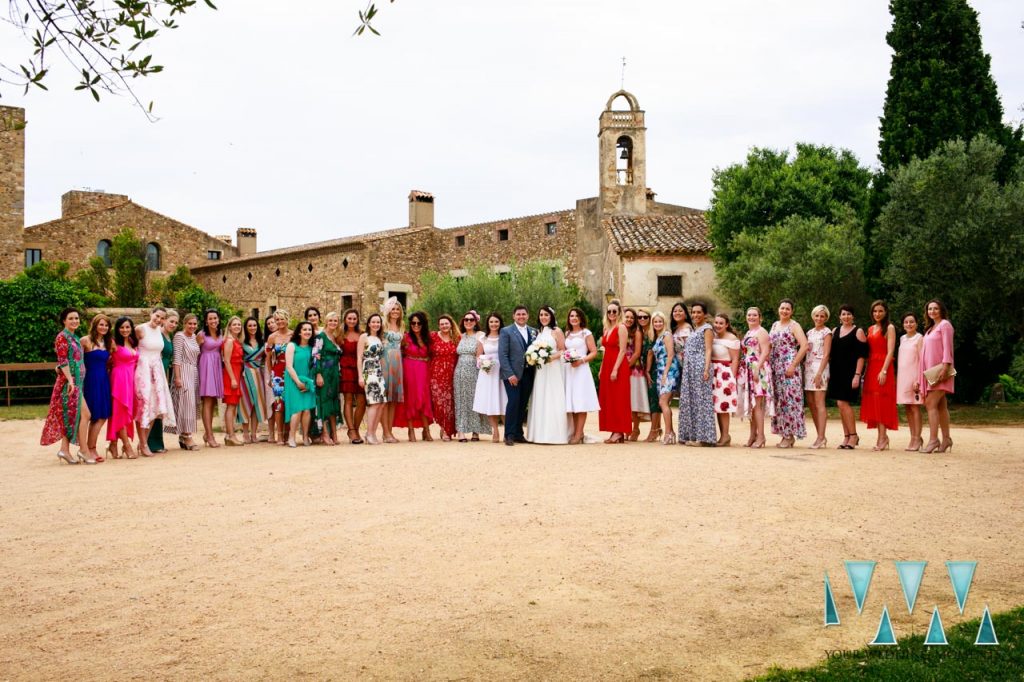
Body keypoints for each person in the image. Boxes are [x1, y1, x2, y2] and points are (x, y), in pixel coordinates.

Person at [41, 308, 92, 464]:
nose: (75, 321)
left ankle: (65, 449)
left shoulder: (74, 337)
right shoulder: (62, 337)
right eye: (71, 318)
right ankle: (83, 450)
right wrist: (70, 380)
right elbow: (63, 361)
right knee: (85, 415)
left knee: (71, 416)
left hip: (78, 382)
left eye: (76, 318)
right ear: (64, 320)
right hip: (69, 384)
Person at [135, 307, 176, 456]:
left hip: (157, 371)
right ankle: (143, 443)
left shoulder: (160, 331)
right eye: (157, 316)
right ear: (151, 314)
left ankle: (143, 442)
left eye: (162, 318)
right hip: (143, 370)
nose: (159, 320)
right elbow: (130, 346)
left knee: (156, 408)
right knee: (144, 406)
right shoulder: (140, 329)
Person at [827, 304, 868, 450]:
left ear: (853, 316)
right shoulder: (834, 331)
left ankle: (854, 435)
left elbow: (862, 356)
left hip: (850, 373)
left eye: (849, 314)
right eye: (843, 314)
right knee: (839, 404)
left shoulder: (858, 332)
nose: (846, 317)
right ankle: (846, 437)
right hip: (836, 372)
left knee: (844, 403)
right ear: (839, 317)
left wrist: (857, 375)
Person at [526, 305, 569, 444]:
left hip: (553, 368)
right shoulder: (539, 332)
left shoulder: (556, 331)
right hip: (541, 370)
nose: (543, 317)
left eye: (546, 315)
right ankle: (538, 434)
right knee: (541, 397)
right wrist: (534, 357)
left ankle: (555, 434)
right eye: (541, 315)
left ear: (551, 316)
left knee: (553, 396)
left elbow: (563, 350)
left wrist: (550, 358)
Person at [768, 299, 808, 448]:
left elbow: (804, 346)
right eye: (782, 308)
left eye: (787, 309)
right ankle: (785, 434)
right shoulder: (774, 325)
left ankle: (789, 435)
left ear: (792, 311)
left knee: (790, 400)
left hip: (789, 365)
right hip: (776, 366)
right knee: (780, 401)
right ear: (778, 309)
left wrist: (793, 365)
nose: (784, 311)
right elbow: (770, 345)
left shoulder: (794, 325)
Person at [860, 300, 899, 451]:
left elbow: (890, 351)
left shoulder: (889, 328)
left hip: (883, 367)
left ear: (886, 312)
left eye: (880, 311)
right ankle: (881, 436)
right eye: (875, 311)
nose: (878, 314)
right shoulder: (870, 329)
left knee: (882, 401)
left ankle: (883, 437)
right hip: (871, 367)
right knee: (874, 401)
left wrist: (883, 370)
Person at [678, 302, 716, 446]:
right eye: (693, 312)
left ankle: (704, 438)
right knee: (691, 401)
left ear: (705, 314)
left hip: (700, 366)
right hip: (690, 367)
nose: (695, 315)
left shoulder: (707, 329)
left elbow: (708, 350)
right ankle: (691, 435)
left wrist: (706, 369)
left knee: (702, 401)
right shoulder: (695, 329)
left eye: (698, 312)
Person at [498, 306, 537, 446]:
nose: (521, 316)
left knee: (522, 403)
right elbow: (502, 354)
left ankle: (518, 434)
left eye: (524, 314)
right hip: (512, 374)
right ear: (514, 316)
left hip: (528, 373)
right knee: (513, 402)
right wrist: (510, 374)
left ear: (527, 316)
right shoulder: (506, 331)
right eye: (518, 314)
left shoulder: (534, 331)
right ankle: (508, 434)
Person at [920, 299, 955, 453]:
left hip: (941, 371)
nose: (932, 311)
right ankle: (946, 439)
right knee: (941, 405)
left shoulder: (945, 325)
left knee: (930, 404)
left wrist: (946, 366)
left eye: (935, 308)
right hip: (930, 373)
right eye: (930, 309)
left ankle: (933, 440)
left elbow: (948, 347)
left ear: (941, 310)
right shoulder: (930, 329)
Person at [395, 311, 434, 441]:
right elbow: (397, 352)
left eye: (419, 323)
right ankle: (410, 431)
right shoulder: (405, 337)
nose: (416, 325)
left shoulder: (428, 338)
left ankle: (426, 430)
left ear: (423, 324)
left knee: (424, 399)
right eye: (413, 323)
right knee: (410, 398)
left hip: (424, 370)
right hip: (409, 369)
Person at [564, 307, 599, 445]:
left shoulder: (586, 333)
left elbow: (594, 352)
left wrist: (581, 360)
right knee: (572, 402)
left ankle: (578, 434)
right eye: (571, 316)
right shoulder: (567, 333)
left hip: (581, 370)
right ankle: (576, 432)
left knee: (580, 401)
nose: (574, 318)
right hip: (569, 370)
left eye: (576, 316)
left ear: (581, 318)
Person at [81, 313, 113, 462]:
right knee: (91, 415)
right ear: (95, 325)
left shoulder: (109, 342)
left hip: (104, 381)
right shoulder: (85, 341)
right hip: (90, 381)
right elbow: (73, 358)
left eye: (106, 325)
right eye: (101, 324)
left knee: (102, 415)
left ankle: (90, 447)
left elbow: (111, 362)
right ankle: (88, 449)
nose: (104, 327)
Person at [739, 307, 773, 449]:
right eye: (749, 315)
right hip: (748, 368)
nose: (751, 317)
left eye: (754, 315)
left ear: (760, 317)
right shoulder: (749, 332)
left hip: (759, 367)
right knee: (752, 404)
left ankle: (761, 436)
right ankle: (752, 435)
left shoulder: (762, 331)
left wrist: (757, 368)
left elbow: (766, 351)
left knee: (757, 404)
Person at [598, 300, 631, 443]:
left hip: (618, 365)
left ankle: (619, 431)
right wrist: (601, 368)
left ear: (619, 313)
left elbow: (623, 350)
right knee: (609, 398)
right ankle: (615, 430)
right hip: (607, 365)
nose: (611, 314)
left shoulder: (621, 327)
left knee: (619, 398)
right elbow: (605, 351)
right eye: (609, 311)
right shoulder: (606, 329)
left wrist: (615, 369)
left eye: (614, 311)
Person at [107, 316, 139, 459]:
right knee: (121, 411)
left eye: (127, 327)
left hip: (131, 379)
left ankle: (113, 444)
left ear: (131, 328)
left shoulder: (133, 342)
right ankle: (126, 445)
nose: (125, 330)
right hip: (119, 379)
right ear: (117, 329)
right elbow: (103, 358)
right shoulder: (113, 343)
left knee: (125, 412)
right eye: (121, 327)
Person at [454, 311, 489, 441]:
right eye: (466, 320)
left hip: (475, 371)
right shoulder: (459, 336)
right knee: (461, 400)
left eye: (471, 320)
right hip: (459, 372)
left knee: (475, 400)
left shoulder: (480, 335)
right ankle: (461, 431)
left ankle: (476, 431)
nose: (468, 322)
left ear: (475, 322)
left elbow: (482, 354)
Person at [147, 310, 178, 454]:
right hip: (154, 373)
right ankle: (149, 443)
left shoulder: (168, 336)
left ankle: (157, 443)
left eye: (176, 322)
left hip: (162, 373)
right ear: (164, 321)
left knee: (160, 407)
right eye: (171, 321)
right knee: (154, 407)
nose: (173, 324)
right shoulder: (157, 333)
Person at [474, 313, 508, 442]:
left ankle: (507, 431)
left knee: (504, 401)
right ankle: (495, 431)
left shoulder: (504, 336)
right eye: (491, 322)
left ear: (500, 323)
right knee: (490, 401)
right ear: (488, 324)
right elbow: (478, 356)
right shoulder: (483, 338)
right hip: (488, 373)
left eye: (496, 322)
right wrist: (482, 363)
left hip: (501, 371)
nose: (494, 324)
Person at [170, 313, 201, 450]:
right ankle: (187, 436)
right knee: (185, 404)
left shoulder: (194, 337)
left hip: (193, 371)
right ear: (184, 324)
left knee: (191, 404)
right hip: (182, 371)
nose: (192, 326)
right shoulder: (179, 336)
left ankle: (183, 436)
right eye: (190, 323)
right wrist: (177, 377)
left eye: (194, 324)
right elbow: (176, 358)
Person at [803, 305, 833, 449]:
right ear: (813, 316)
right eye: (817, 315)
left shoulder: (827, 332)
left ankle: (821, 437)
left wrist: (819, 373)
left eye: (822, 316)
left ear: (826, 318)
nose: (819, 318)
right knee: (811, 402)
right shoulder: (809, 332)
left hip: (820, 368)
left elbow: (826, 354)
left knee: (819, 402)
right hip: (808, 367)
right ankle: (820, 436)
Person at [649, 311, 680, 445]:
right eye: (655, 321)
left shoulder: (667, 335)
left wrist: (666, 373)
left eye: (660, 321)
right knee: (664, 403)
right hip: (661, 371)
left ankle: (668, 433)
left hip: (669, 370)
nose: (657, 324)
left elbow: (671, 355)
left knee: (663, 402)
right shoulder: (657, 336)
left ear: (664, 322)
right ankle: (671, 432)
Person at [284, 321, 316, 447]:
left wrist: (307, 384)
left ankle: (305, 436)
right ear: (299, 332)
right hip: (294, 380)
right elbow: (289, 366)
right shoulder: (292, 346)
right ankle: (291, 437)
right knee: (297, 410)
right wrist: (298, 382)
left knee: (307, 410)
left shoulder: (312, 348)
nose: (307, 332)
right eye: (305, 329)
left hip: (308, 380)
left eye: (310, 330)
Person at [711, 313, 740, 447]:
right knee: (716, 406)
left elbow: (735, 360)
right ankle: (723, 435)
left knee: (724, 406)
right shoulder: (713, 336)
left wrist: (732, 379)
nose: (718, 325)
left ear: (726, 324)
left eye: (721, 323)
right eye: (716, 323)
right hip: (713, 372)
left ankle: (725, 435)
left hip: (725, 373)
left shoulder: (732, 338)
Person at [196, 309, 225, 448]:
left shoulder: (221, 333)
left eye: (215, 318)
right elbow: (195, 352)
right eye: (210, 319)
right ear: (206, 321)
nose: (213, 321)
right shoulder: (201, 335)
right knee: (207, 401)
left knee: (213, 401)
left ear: (218, 319)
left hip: (216, 365)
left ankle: (207, 433)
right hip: (205, 366)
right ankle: (210, 435)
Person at [897, 312, 925, 451]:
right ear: (903, 325)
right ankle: (913, 437)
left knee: (915, 407)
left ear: (916, 324)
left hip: (915, 378)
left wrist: (918, 379)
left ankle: (917, 438)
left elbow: (922, 360)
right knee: (908, 408)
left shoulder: (919, 338)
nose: (909, 324)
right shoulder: (902, 338)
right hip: (903, 377)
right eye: (906, 322)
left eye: (912, 322)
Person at [314, 312, 343, 446]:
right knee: (324, 402)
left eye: (335, 321)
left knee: (333, 402)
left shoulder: (335, 337)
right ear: (326, 321)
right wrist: (318, 374)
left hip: (334, 374)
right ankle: (325, 433)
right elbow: (316, 356)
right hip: (324, 373)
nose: (333, 323)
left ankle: (334, 434)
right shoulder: (320, 336)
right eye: (330, 320)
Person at [429, 314, 460, 441]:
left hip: (452, 374)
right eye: (442, 324)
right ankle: (443, 425)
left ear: (451, 324)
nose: (444, 326)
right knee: (439, 403)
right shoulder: (433, 337)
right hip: (436, 375)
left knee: (450, 404)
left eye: (446, 323)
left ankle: (447, 430)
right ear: (438, 325)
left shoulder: (457, 338)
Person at [358, 313, 387, 444]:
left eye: (378, 322)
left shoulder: (379, 338)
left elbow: (381, 358)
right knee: (374, 402)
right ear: (369, 323)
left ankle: (372, 433)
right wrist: (360, 376)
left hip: (379, 371)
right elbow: (359, 358)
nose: (376, 324)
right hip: (368, 370)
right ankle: (369, 434)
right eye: (373, 322)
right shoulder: (364, 337)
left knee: (382, 403)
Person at [380, 297, 406, 443]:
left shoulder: (402, 325)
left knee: (393, 399)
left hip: (397, 363)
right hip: (385, 360)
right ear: (388, 311)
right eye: (393, 309)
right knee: (385, 399)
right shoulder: (383, 325)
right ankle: (385, 432)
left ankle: (389, 431)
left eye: (397, 309)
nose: (395, 312)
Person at [239, 317, 268, 443]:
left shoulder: (262, 342)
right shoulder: (241, 342)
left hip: (258, 374)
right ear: (246, 327)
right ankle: (245, 433)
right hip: (246, 374)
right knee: (245, 403)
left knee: (257, 404)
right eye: (249, 326)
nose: (252, 328)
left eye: (254, 325)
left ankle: (254, 434)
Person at [265, 310, 292, 446]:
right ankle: (279, 435)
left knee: (289, 403)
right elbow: (268, 358)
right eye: (277, 320)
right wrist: (270, 375)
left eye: (282, 319)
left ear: (287, 319)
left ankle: (288, 433)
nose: (280, 322)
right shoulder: (272, 337)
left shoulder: (293, 335)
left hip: (291, 371)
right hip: (277, 372)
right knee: (278, 404)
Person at [340, 308, 365, 444]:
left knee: (362, 401)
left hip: (360, 369)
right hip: (346, 368)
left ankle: (356, 429)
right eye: (349, 318)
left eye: (354, 319)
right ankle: (351, 430)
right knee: (348, 399)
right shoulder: (340, 334)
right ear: (345, 319)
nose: (352, 321)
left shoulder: (362, 334)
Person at [623, 308, 649, 441]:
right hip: (621, 366)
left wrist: (625, 367)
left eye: (632, 318)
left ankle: (635, 428)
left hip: (634, 368)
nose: (629, 320)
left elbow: (637, 353)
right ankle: (625, 427)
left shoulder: (637, 332)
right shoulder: (620, 330)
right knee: (624, 401)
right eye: (627, 317)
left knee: (634, 399)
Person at [220, 316, 245, 446]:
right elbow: (226, 361)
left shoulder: (235, 340)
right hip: (231, 375)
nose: (237, 327)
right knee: (231, 406)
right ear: (229, 327)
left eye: (239, 325)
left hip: (235, 373)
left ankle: (229, 435)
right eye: (234, 324)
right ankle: (231, 435)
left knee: (233, 406)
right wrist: (233, 379)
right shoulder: (229, 340)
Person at [637, 309, 661, 441]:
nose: (642, 319)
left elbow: (651, 352)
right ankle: (657, 428)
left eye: (645, 317)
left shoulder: (652, 333)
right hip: (644, 368)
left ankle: (654, 431)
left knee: (654, 399)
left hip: (653, 369)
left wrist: (647, 370)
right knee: (652, 397)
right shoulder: (641, 332)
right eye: (639, 317)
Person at [670, 302, 692, 394]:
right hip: (678, 365)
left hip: (686, 365)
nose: (677, 313)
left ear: (686, 315)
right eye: (675, 311)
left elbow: (689, 349)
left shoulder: (687, 328)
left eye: (680, 311)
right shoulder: (675, 328)